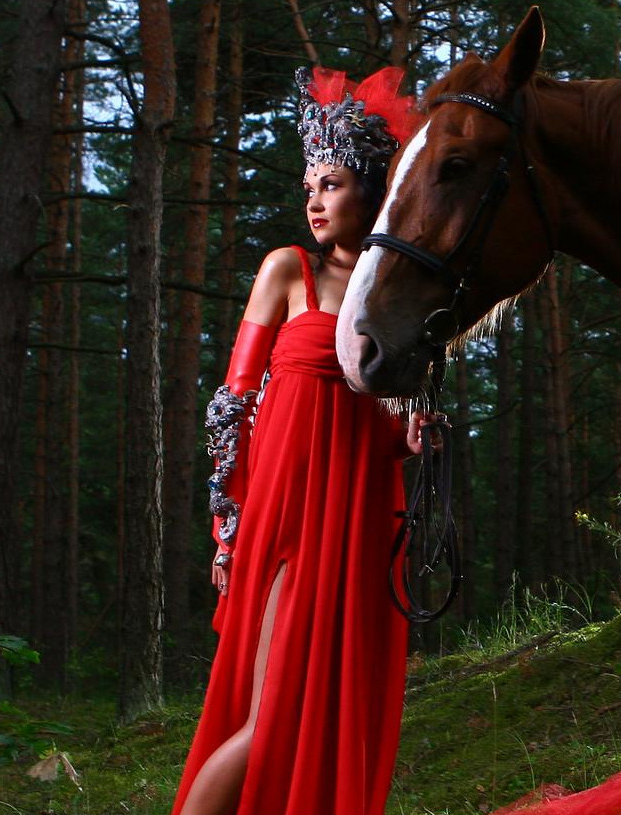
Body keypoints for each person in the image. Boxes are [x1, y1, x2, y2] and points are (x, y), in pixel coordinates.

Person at [171, 65, 429, 815]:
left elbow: (379, 427)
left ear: (371, 193)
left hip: (354, 520)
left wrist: (409, 440)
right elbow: (232, 403)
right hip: (284, 521)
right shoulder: (288, 270)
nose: (314, 200)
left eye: (333, 184)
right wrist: (227, 531)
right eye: (310, 185)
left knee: (327, 708)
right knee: (271, 712)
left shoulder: (391, 293)